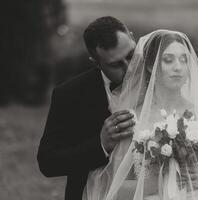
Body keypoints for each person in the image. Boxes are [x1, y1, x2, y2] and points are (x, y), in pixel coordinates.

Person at [83, 30, 198, 200]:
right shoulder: (132, 119)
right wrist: (155, 183)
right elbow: (117, 189)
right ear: (151, 66)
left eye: (184, 60)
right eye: (168, 60)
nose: (178, 67)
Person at [37, 16, 137, 200]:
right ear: (96, 62)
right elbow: (47, 162)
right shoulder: (70, 94)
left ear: (132, 37)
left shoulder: (159, 81)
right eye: (116, 64)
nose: (129, 68)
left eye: (131, 55)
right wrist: (100, 145)